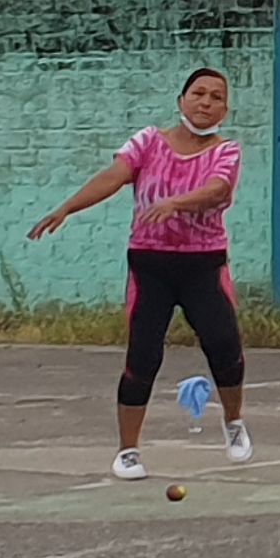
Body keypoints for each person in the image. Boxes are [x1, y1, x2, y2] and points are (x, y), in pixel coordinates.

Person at [29, 65, 249, 477]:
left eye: (216, 97)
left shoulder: (226, 151)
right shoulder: (148, 141)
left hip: (203, 263)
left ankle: (233, 421)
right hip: (150, 263)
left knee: (223, 344)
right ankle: (128, 450)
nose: (205, 102)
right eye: (198, 93)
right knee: (143, 356)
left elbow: (217, 190)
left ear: (225, 110)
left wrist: (175, 203)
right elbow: (113, 176)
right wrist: (67, 208)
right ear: (181, 100)